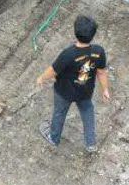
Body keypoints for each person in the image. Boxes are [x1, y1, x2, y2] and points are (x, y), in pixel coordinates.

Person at [36, 15, 110, 154]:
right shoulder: (98, 51)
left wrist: (41, 78)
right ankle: (91, 143)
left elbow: (52, 71)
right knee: (88, 113)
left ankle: (54, 137)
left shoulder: (68, 54)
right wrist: (105, 89)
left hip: (64, 92)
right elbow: (101, 72)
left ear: (75, 32)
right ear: (93, 35)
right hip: (85, 92)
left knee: (59, 113)